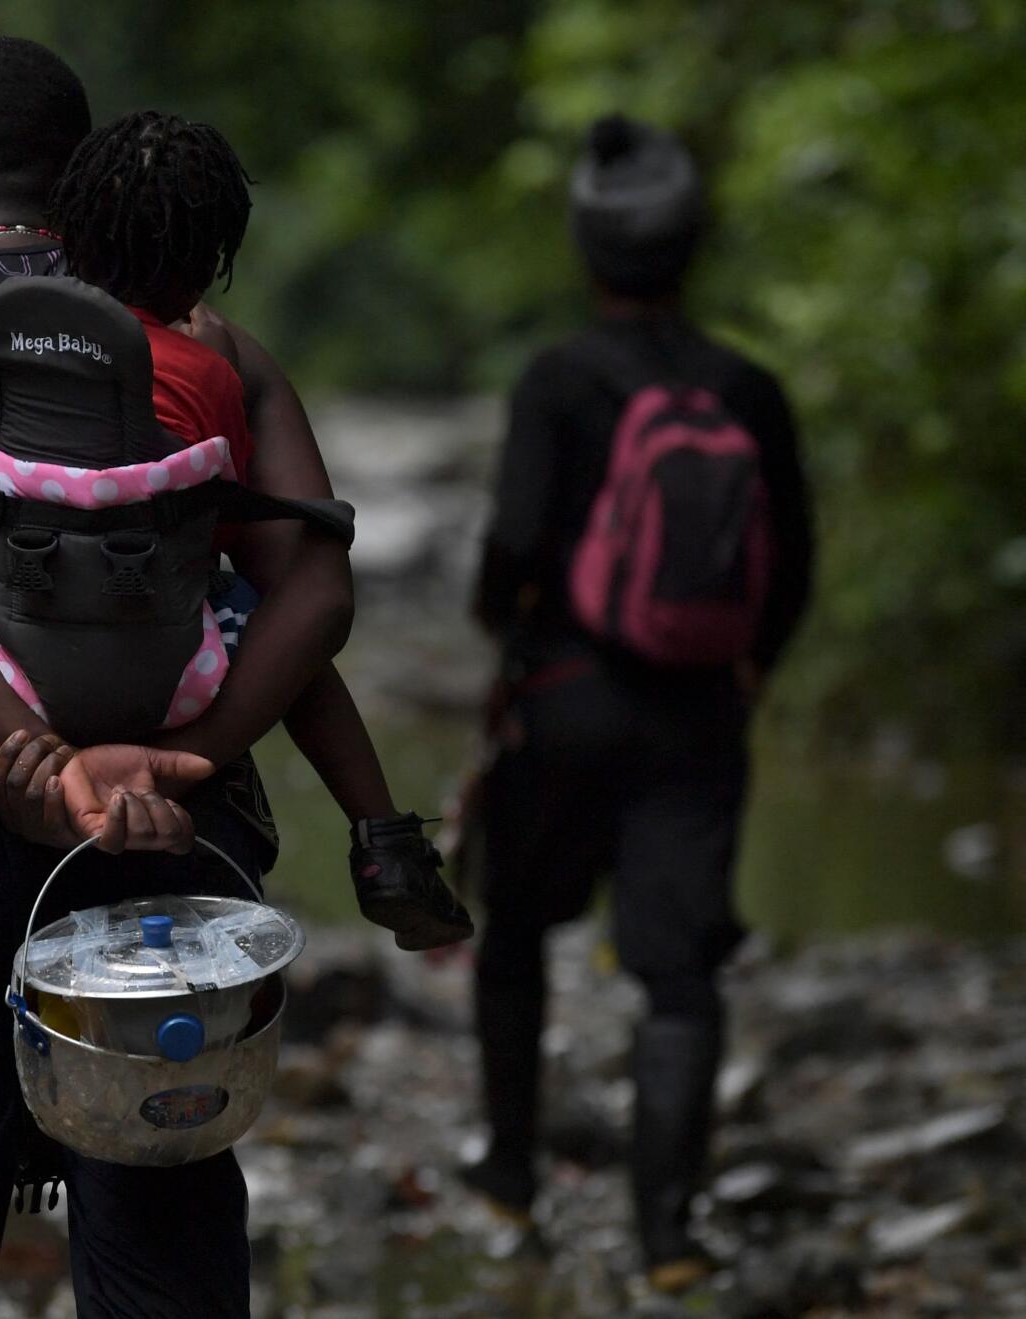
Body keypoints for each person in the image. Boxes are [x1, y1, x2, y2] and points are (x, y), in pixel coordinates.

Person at [0, 36, 417, 1317]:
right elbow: (309, 583)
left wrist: (31, 753)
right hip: (169, 824)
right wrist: (196, 750)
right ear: (91, 183)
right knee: (159, 1195)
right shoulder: (205, 340)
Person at [460, 114, 813, 1293]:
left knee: (513, 929)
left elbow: (511, 537)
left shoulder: (558, 381)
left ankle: (508, 1173)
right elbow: (793, 563)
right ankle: (665, 1237)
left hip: (563, 702)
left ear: (585, 246)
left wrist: (500, 627)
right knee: (679, 972)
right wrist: (745, 664)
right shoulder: (747, 389)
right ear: (689, 247)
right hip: (697, 717)